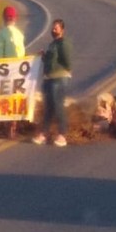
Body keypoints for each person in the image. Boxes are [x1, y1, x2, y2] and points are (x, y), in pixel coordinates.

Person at [32, 19, 72, 147]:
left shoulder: (63, 44)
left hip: (59, 80)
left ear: (62, 30)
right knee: (48, 107)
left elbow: (68, 63)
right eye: (53, 28)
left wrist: (58, 69)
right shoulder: (52, 44)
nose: (53, 30)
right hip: (49, 79)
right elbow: (50, 61)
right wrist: (43, 56)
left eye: (56, 28)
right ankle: (44, 133)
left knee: (58, 106)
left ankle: (62, 134)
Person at [0, 6, 26, 138]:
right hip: (19, 72)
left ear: (3, 18)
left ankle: (7, 127)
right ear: (15, 19)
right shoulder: (19, 34)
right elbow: (22, 54)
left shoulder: (2, 34)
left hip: (6, 72)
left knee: (5, 99)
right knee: (15, 99)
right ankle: (14, 126)